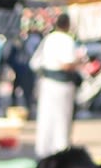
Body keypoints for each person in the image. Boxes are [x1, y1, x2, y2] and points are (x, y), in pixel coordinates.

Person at [31, 13, 82, 155]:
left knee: (47, 117)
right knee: (61, 118)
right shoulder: (66, 40)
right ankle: (60, 151)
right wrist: (78, 62)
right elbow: (66, 64)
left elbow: (35, 63)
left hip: (47, 83)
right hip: (61, 84)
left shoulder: (48, 39)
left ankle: (44, 150)